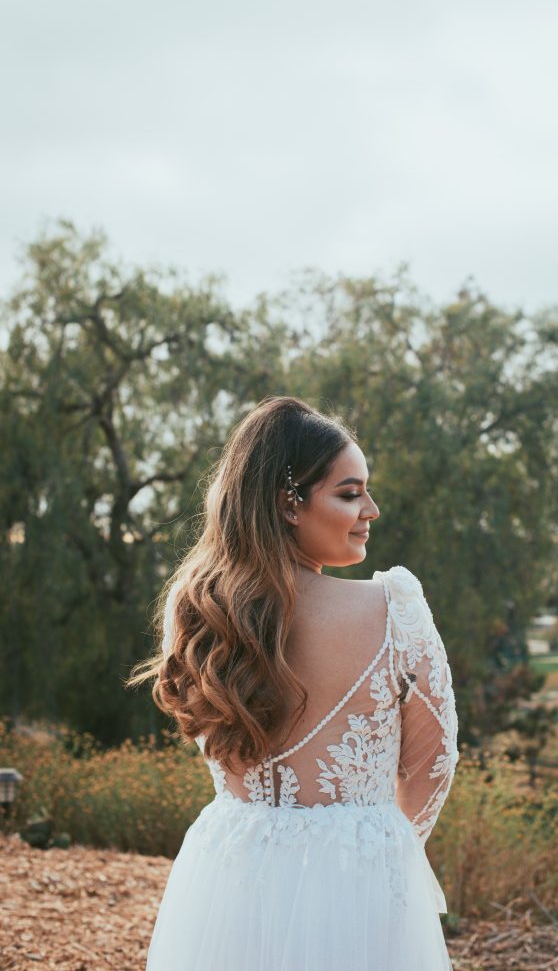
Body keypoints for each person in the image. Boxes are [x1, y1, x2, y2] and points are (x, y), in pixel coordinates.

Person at [130, 395, 459, 971]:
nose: (371, 509)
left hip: (229, 869)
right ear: (289, 504)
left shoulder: (197, 610)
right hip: (360, 881)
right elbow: (435, 763)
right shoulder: (394, 610)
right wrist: (382, 851)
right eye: (349, 493)